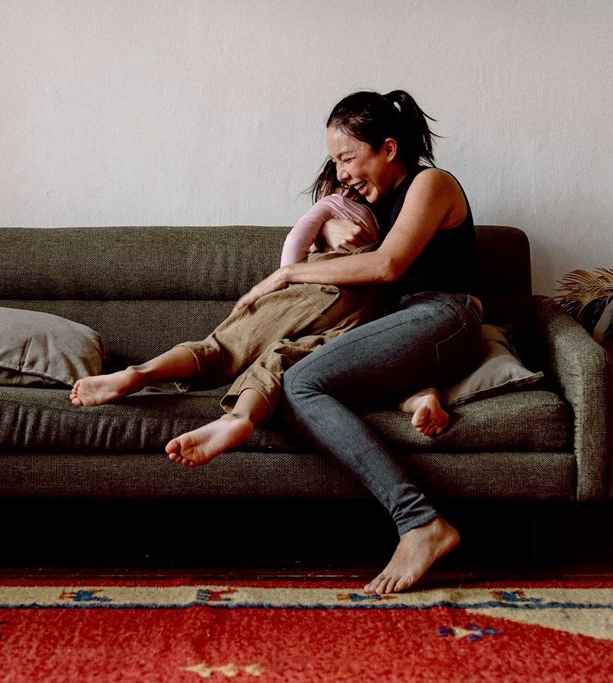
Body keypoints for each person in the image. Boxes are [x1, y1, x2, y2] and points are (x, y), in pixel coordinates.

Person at [234, 90, 483, 595]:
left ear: (388, 149)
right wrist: (327, 228)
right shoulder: (378, 202)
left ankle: (421, 523)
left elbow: (386, 265)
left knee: (301, 383)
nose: (341, 172)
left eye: (348, 157)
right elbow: (345, 234)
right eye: (335, 161)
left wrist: (286, 276)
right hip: (402, 327)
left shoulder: (431, 183)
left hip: (445, 314)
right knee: (291, 383)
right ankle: (419, 391)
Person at [69, 160, 450, 467]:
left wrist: (288, 275)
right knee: (283, 358)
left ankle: (142, 373)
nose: (345, 179)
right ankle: (239, 418)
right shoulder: (389, 214)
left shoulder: (339, 206)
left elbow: (296, 239)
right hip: (365, 310)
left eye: (346, 164)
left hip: (322, 289)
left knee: (222, 347)